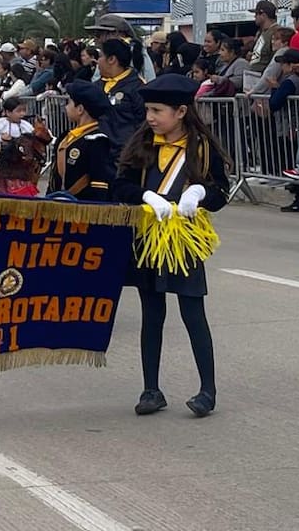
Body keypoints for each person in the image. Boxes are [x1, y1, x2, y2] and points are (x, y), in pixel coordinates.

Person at [113, 74, 230, 418]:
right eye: (148, 109)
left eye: (156, 110)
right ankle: (151, 389)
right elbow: (120, 186)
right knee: (153, 314)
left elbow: (221, 191)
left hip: (184, 240)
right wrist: (144, 195)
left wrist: (200, 193)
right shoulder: (143, 143)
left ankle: (207, 390)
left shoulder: (202, 147)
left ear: (180, 111)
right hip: (148, 238)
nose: (149, 117)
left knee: (193, 312)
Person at [46, 81, 115, 201]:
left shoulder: (97, 140)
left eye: (69, 102)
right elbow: (54, 176)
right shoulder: (65, 137)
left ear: (80, 109)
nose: (66, 107)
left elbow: (99, 183)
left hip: (80, 207)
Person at [97, 37, 146, 159]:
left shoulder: (137, 87)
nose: (98, 61)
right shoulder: (96, 86)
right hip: (98, 153)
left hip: (124, 156)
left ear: (112, 59)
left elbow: (143, 121)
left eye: (100, 56)